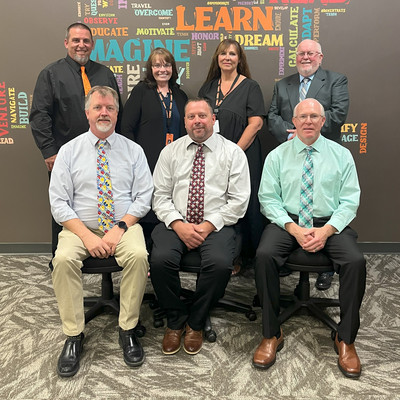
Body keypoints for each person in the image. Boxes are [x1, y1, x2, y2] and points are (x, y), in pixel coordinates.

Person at [253, 99, 366, 379]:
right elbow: (268, 199)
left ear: (323, 121)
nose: (308, 121)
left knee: (355, 261)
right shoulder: (277, 156)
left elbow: (350, 201)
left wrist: (327, 231)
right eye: (303, 116)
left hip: (328, 223)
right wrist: (293, 228)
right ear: (294, 120)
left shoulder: (342, 155)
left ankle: (346, 338)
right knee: (264, 255)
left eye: (314, 116)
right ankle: (271, 333)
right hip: (288, 222)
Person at [49, 86, 153, 377]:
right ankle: (73, 335)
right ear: (87, 113)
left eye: (110, 108)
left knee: (138, 255)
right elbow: (58, 203)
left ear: (117, 114)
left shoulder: (133, 150)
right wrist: (87, 236)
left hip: (123, 224)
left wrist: (120, 227)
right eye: (98, 108)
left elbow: (144, 196)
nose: (104, 112)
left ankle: (128, 329)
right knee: (64, 260)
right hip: (80, 227)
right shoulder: (69, 152)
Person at [150, 98, 250, 356]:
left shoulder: (232, 153)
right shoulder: (169, 152)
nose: (197, 121)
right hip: (176, 221)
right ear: (184, 121)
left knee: (219, 264)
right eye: (191, 116)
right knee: (159, 260)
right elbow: (159, 196)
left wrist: (207, 225)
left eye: (202, 116)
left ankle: (195, 321)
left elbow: (239, 201)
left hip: (217, 224)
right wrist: (178, 224)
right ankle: (175, 319)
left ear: (213, 119)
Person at [30, 22, 123, 255]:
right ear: (66, 43)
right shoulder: (50, 74)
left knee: (103, 205)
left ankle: (104, 254)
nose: (81, 45)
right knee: (63, 208)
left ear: (92, 44)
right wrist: (49, 151)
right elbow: (39, 115)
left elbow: (115, 112)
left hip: (104, 154)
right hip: (65, 156)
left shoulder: (105, 74)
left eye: (86, 41)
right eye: (76, 40)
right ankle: (60, 258)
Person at [267, 39, 349, 289]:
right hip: (291, 152)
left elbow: (338, 113)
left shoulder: (336, 80)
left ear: (320, 56)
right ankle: (284, 261)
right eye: (301, 53)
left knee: (322, 211)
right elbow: (272, 115)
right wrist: (293, 136)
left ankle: (326, 269)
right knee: (286, 205)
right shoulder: (283, 84)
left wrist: (311, 133)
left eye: (310, 53)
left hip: (323, 153)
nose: (305, 57)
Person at [198, 39, 265, 273]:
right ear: (217, 58)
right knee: (218, 202)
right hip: (212, 156)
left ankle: (248, 257)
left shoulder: (250, 86)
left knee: (243, 204)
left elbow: (256, 123)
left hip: (243, 156)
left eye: (232, 54)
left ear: (239, 59)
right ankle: (225, 255)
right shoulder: (207, 88)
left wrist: (234, 153)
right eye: (223, 53)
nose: (227, 57)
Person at [121, 47, 188, 240]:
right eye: (157, 65)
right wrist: (134, 158)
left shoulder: (180, 94)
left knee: (172, 200)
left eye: (166, 65)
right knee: (148, 203)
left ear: (172, 68)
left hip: (175, 160)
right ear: (150, 69)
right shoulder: (142, 91)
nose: (162, 69)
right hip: (147, 160)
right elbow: (126, 127)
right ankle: (148, 250)